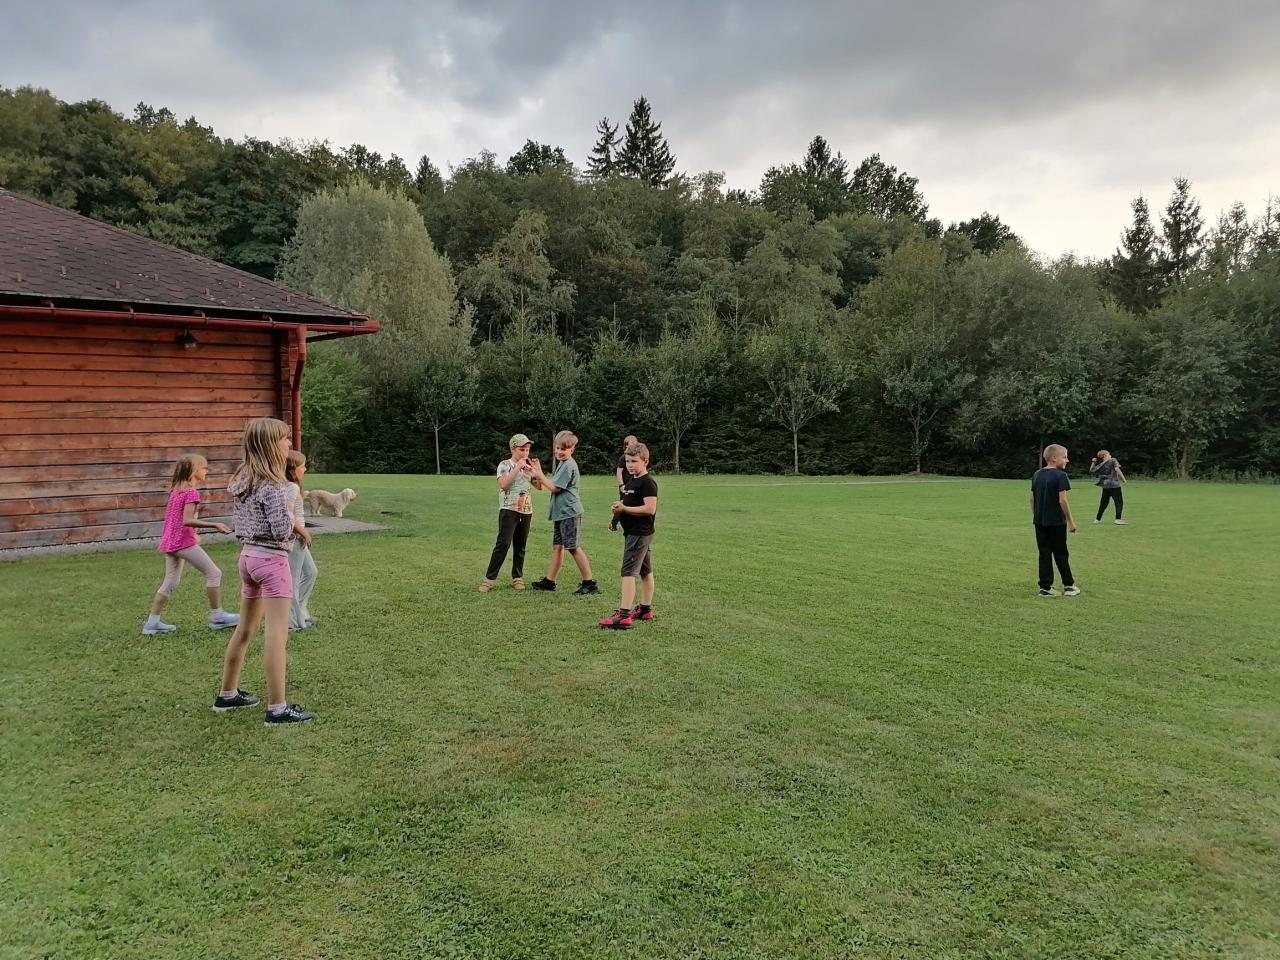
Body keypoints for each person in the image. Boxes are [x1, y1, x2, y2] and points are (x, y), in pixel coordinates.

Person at [213, 417, 315, 724]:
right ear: (271, 445)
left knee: (245, 629)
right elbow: (282, 529)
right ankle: (277, 708)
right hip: (271, 562)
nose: (289, 444)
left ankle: (227, 694)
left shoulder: (245, 478)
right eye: (284, 439)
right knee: (277, 635)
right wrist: (289, 506)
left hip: (248, 558)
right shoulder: (273, 486)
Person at [142, 454, 239, 636]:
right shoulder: (191, 493)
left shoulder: (176, 491)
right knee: (214, 573)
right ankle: (217, 616)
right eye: (204, 468)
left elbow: (175, 520)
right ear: (194, 470)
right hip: (182, 542)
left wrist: (194, 534)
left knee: (170, 581)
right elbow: (187, 520)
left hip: (171, 542)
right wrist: (215, 525)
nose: (207, 471)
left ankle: (152, 623)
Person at [530, 430, 600, 595]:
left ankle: (589, 583)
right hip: (561, 513)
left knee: (573, 547)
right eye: (557, 448)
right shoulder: (562, 463)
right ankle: (550, 581)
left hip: (569, 512)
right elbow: (542, 486)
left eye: (564, 449)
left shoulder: (568, 465)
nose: (559, 452)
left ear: (572, 449)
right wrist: (535, 474)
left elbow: (554, 488)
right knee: (558, 547)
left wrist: (539, 474)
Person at [599, 442, 658, 629]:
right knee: (645, 571)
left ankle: (624, 615)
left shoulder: (648, 483)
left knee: (628, 572)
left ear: (645, 461)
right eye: (627, 461)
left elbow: (650, 509)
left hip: (639, 533)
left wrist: (624, 508)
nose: (630, 465)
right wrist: (615, 518)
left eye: (634, 461)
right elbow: (625, 504)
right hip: (633, 532)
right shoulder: (631, 481)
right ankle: (645, 609)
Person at [480, 433, 542, 592]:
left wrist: (537, 471)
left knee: (520, 545)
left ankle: (517, 577)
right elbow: (504, 485)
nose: (525, 453)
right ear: (513, 449)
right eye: (522, 449)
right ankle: (489, 580)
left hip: (526, 510)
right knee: (503, 544)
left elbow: (539, 487)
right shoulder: (505, 465)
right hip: (509, 510)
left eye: (527, 449)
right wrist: (518, 467)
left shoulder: (527, 466)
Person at [1031, 443, 1080, 598]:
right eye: (1064, 457)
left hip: (1040, 522)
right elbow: (1062, 500)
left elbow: (1032, 498)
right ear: (1054, 458)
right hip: (1056, 522)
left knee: (1044, 553)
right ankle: (1069, 586)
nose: (1067, 460)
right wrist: (1070, 521)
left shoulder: (1037, 474)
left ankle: (1045, 587)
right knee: (1061, 553)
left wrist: (1037, 515)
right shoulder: (1060, 476)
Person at [284, 451, 319, 629]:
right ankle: (294, 622)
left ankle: (301, 611)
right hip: (295, 538)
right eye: (302, 466)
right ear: (292, 469)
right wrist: (303, 532)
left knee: (311, 572)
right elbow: (287, 515)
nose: (305, 469)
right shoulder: (291, 487)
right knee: (293, 580)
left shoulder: (293, 486)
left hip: (299, 538)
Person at [1089, 449, 1129, 525]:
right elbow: (1117, 469)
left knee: (1103, 503)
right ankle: (1118, 519)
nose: (1110, 455)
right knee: (1119, 502)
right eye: (1109, 454)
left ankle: (1097, 519)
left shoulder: (1101, 465)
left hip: (1105, 485)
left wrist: (1093, 462)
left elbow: (1092, 470)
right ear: (1105, 455)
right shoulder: (1113, 460)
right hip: (1114, 485)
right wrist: (1123, 479)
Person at [611, 435, 638, 532]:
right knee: (622, 505)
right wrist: (622, 485)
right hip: (625, 486)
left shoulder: (638, 457)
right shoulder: (623, 458)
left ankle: (633, 525)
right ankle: (613, 524)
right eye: (630, 443)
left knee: (634, 505)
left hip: (635, 485)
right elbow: (619, 472)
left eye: (633, 443)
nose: (632, 445)